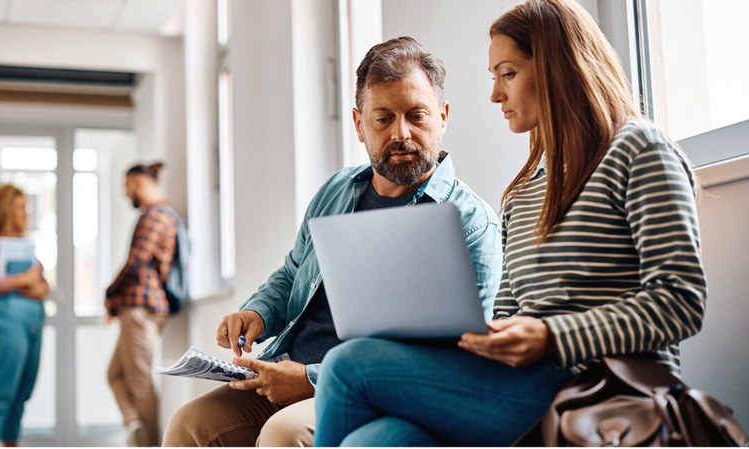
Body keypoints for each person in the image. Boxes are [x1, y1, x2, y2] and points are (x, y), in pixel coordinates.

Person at [314, 0, 708, 446]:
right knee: (375, 441)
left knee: (347, 364)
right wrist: (474, 337)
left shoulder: (639, 150)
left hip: (608, 387)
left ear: (558, 68)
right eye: (494, 77)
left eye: (508, 74)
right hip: (525, 386)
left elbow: (681, 301)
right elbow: (506, 315)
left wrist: (551, 336)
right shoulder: (523, 192)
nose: (495, 95)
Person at [162, 36, 501, 447]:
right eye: (383, 119)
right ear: (359, 124)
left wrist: (310, 379)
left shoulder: (470, 222)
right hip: (285, 369)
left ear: (443, 117)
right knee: (190, 424)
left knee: (285, 434)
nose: (401, 133)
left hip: (373, 391)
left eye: (417, 116)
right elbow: (293, 272)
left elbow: (453, 355)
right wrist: (257, 312)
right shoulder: (337, 190)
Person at [105, 161, 178, 447]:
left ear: (138, 183)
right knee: (115, 374)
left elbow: (136, 262)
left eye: (127, 186)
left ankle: (152, 444)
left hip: (141, 308)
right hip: (136, 306)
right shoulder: (158, 215)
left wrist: (109, 292)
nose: (126, 193)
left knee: (141, 381)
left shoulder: (155, 216)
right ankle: (135, 425)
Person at [0, 183, 50, 447]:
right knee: (1, 391)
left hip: (32, 323)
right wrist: (20, 281)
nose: (25, 212)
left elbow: (41, 282)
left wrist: (39, 287)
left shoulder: (25, 245)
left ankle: (10, 443)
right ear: (4, 210)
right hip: (4, 324)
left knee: (22, 391)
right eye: (19, 207)